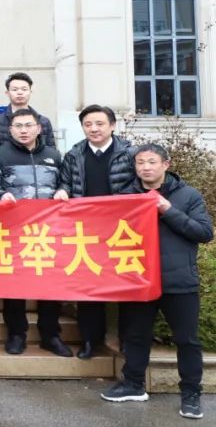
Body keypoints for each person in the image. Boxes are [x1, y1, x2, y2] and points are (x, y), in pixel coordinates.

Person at [100, 143, 212, 419]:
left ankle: (191, 394)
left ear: (165, 164)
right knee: (136, 336)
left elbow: (203, 232)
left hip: (179, 281)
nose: (145, 168)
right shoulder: (126, 197)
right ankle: (133, 384)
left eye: (151, 162)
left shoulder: (188, 195)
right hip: (138, 280)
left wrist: (167, 209)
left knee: (187, 340)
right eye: (140, 163)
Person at [55, 104, 137, 359]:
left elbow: (138, 185)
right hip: (86, 230)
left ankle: (126, 340)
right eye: (88, 124)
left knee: (125, 285)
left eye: (100, 124)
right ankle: (91, 340)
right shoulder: (74, 154)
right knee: (89, 286)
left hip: (121, 230)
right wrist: (62, 191)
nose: (94, 129)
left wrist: (114, 205)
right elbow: (65, 182)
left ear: (112, 125)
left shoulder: (130, 153)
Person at [0, 108, 72, 358]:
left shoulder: (53, 155)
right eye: (18, 126)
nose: (24, 130)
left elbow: (66, 180)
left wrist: (63, 189)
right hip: (13, 229)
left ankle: (50, 334)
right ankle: (16, 333)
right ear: (10, 130)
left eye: (29, 125)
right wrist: (0, 195)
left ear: (39, 128)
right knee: (14, 283)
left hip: (48, 230)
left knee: (50, 282)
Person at [0, 72, 55, 149]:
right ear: (7, 93)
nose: (20, 92)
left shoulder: (43, 121)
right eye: (15, 89)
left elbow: (51, 151)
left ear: (30, 92)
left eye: (24, 89)